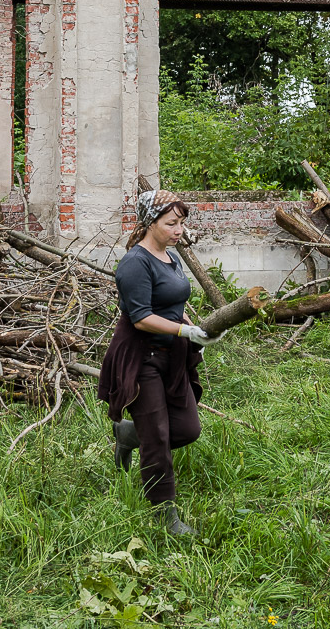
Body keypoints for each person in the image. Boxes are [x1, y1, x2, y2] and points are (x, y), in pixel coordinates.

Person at [97, 190, 217, 537]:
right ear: (150, 222)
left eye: (181, 223)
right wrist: (184, 330)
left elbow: (173, 304)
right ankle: (166, 514)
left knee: (186, 429)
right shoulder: (136, 262)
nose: (179, 230)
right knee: (160, 437)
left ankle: (128, 435)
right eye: (171, 223)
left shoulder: (170, 258)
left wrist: (194, 336)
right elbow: (140, 317)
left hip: (172, 357)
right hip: (141, 358)